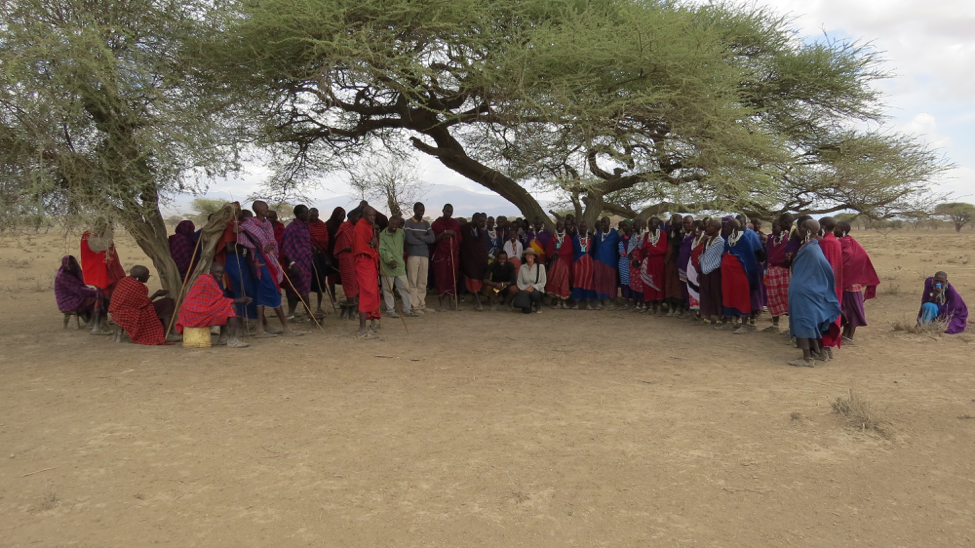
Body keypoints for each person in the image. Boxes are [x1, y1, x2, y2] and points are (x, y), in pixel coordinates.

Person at [238, 201, 298, 337]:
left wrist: (269, 247)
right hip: (260, 263)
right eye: (265, 208)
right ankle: (285, 328)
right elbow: (240, 238)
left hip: (270, 260)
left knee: (261, 295)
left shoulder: (267, 224)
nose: (267, 210)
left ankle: (260, 329)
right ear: (258, 210)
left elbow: (271, 242)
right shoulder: (249, 225)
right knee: (274, 291)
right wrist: (259, 248)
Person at [787, 219, 842, 366]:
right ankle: (814, 352)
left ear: (805, 230)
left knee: (803, 322)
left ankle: (807, 358)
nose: (796, 231)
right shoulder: (811, 246)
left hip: (804, 291)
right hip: (806, 289)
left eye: (798, 228)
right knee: (807, 322)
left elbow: (825, 270)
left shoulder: (810, 249)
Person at [175, 262, 251, 348]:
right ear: (211, 271)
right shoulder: (208, 280)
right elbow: (221, 300)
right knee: (231, 308)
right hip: (194, 313)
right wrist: (240, 300)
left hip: (192, 311)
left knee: (223, 306)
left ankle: (223, 338)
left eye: (222, 272)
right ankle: (232, 340)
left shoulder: (206, 278)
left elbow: (217, 300)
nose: (221, 275)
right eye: (218, 272)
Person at [835, 221, 880, 342]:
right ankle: (848, 336)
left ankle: (847, 336)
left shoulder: (842, 243)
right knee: (853, 310)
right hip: (855, 282)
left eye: (837, 228)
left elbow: (843, 260)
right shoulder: (853, 242)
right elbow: (862, 257)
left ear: (843, 230)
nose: (835, 230)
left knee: (847, 309)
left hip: (848, 283)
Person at [109, 265, 175, 345]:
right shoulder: (138, 286)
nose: (148, 277)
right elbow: (143, 304)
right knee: (167, 302)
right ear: (139, 277)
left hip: (116, 312)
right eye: (147, 275)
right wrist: (156, 294)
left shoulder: (123, 281)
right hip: (130, 314)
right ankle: (168, 334)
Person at [80, 226, 126, 335]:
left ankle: (100, 323)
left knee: (101, 299)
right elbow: (106, 255)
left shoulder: (88, 235)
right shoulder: (96, 237)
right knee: (103, 300)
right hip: (105, 274)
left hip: (99, 273)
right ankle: (97, 326)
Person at [721, 219, 762, 333]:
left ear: (734, 229)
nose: (725, 230)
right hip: (728, 275)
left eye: (727, 228)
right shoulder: (728, 240)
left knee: (742, 296)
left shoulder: (744, 240)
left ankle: (744, 324)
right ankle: (729, 321)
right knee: (728, 295)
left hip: (741, 274)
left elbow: (749, 259)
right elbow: (724, 253)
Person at [817, 216, 844, 356]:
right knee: (831, 313)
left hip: (825, 285)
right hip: (836, 285)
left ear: (822, 227)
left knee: (824, 315)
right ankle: (828, 347)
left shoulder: (824, 243)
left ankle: (825, 348)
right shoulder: (836, 242)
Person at [763, 215, 795, 333]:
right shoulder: (771, 239)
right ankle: (775, 324)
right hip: (772, 269)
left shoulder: (788, 238)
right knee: (772, 296)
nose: (772, 229)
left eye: (775, 227)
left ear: (782, 226)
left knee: (786, 297)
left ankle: (790, 326)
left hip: (784, 270)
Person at [354, 206, 382, 338]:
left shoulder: (370, 226)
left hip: (370, 261)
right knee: (366, 292)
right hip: (364, 261)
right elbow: (361, 247)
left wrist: (374, 241)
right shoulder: (360, 227)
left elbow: (370, 244)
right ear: (364, 215)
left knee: (373, 292)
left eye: (374, 216)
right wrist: (372, 248)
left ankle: (372, 321)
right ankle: (362, 328)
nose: (372, 218)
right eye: (370, 215)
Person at [379, 215, 414, 318]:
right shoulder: (382, 235)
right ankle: (391, 311)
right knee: (388, 290)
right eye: (392, 224)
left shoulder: (401, 233)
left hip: (400, 266)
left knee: (405, 288)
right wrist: (390, 260)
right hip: (387, 266)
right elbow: (382, 250)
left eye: (396, 224)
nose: (394, 226)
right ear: (388, 223)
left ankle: (407, 310)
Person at [281, 204, 313, 318]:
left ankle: (290, 314)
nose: (308, 214)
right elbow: (286, 247)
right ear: (299, 214)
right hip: (295, 263)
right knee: (301, 288)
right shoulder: (292, 228)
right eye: (305, 212)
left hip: (306, 261)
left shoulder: (305, 226)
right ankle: (310, 315)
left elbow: (304, 243)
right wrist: (292, 263)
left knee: (298, 289)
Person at [404, 202, 436, 315]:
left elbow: (432, 238)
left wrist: (419, 237)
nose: (421, 213)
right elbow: (409, 240)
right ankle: (414, 305)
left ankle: (422, 304)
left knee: (423, 281)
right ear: (414, 210)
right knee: (413, 281)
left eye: (423, 210)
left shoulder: (426, 223)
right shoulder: (408, 223)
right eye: (419, 210)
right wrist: (424, 240)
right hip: (413, 255)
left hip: (424, 255)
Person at [432, 204, 462, 310]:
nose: (449, 214)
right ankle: (441, 304)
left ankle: (451, 303)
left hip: (453, 255)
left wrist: (451, 234)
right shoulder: (437, 224)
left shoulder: (454, 223)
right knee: (441, 278)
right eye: (447, 211)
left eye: (451, 212)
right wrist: (445, 233)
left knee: (452, 278)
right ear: (443, 210)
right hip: (441, 255)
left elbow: (458, 237)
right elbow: (434, 239)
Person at [637, 217, 668, 315]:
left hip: (658, 263)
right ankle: (650, 306)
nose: (650, 226)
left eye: (652, 224)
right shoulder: (647, 235)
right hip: (647, 262)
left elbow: (662, 250)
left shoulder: (663, 234)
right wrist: (651, 249)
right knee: (648, 285)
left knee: (658, 284)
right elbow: (643, 249)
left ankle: (658, 307)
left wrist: (650, 249)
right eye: (649, 224)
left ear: (657, 225)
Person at [459, 212, 490, 310]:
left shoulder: (480, 231)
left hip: (479, 259)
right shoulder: (464, 229)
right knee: (473, 277)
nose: (482, 223)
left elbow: (483, 245)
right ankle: (477, 301)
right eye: (480, 221)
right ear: (474, 220)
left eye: (483, 222)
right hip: (469, 258)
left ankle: (476, 297)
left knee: (480, 277)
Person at [698, 219, 725, 325]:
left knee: (716, 294)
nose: (706, 228)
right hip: (704, 272)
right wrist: (700, 271)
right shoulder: (706, 241)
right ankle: (707, 316)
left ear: (716, 229)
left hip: (715, 271)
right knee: (705, 293)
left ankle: (718, 316)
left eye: (709, 227)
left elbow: (718, 257)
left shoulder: (721, 242)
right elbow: (704, 256)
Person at [55, 255, 97, 323]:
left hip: (74, 298)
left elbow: (82, 286)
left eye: (73, 264)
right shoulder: (63, 276)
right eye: (69, 264)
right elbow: (80, 291)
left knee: (95, 296)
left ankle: (92, 319)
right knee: (98, 299)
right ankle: (94, 322)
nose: (71, 266)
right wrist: (95, 292)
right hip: (68, 302)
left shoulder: (71, 273)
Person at [333, 209, 361, 307]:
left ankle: (356, 303)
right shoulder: (344, 227)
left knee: (357, 281)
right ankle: (350, 303)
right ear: (351, 217)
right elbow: (345, 246)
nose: (359, 220)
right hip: (347, 257)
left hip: (356, 257)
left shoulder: (357, 227)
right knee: (349, 280)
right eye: (357, 217)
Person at [307, 207, 332, 315]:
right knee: (306, 282)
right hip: (307, 257)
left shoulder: (322, 225)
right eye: (311, 215)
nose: (314, 218)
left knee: (320, 281)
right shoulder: (305, 226)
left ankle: (319, 306)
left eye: (316, 215)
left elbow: (325, 239)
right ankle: (306, 308)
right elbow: (304, 239)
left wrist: (316, 244)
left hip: (320, 256)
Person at [544, 219, 573, 308]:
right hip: (554, 262)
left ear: (564, 227)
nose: (559, 227)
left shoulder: (567, 237)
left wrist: (559, 254)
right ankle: (557, 302)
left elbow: (569, 250)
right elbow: (548, 249)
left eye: (561, 225)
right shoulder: (553, 238)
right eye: (558, 225)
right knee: (555, 281)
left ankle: (563, 302)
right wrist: (553, 254)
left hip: (564, 263)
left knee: (563, 281)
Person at [592, 216, 620, 309]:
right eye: (601, 223)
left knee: (610, 281)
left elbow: (618, 248)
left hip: (610, 261)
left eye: (604, 222)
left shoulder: (614, 234)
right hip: (598, 260)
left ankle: (612, 302)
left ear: (609, 223)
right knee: (598, 280)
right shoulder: (599, 234)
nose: (602, 224)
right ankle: (600, 301)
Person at [570, 221, 597, 309]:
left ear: (587, 228)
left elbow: (594, 251)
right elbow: (573, 251)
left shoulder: (592, 239)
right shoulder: (575, 239)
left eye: (584, 227)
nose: (582, 228)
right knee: (578, 281)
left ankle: (589, 303)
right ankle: (577, 303)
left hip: (589, 263)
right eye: (581, 227)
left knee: (588, 281)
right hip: (578, 263)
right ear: (578, 228)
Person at [663, 214, 685, 315]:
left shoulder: (684, 234)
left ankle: (679, 308)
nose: (676, 224)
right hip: (669, 262)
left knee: (678, 285)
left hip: (679, 262)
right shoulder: (668, 233)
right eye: (674, 222)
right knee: (668, 284)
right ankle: (670, 307)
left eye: (679, 223)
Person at [514, 248, 547, 314]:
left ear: (534, 256)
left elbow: (543, 282)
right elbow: (519, 282)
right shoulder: (522, 267)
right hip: (525, 290)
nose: (529, 256)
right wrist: (525, 289)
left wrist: (533, 287)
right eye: (528, 255)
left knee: (535, 294)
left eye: (531, 255)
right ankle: (529, 304)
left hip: (537, 289)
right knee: (526, 311)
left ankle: (537, 305)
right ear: (525, 256)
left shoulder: (540, 267)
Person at [324, 207, 346, 300]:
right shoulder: (328, 225)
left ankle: (348, 297)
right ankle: (333, 298)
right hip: (331, 254)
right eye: (340, 215)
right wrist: (327, 257)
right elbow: (325, 241)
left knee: (345, 276)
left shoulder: (344, 226)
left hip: (342, 254)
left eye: (343, 216)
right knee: (332, 277)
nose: (342, 217)